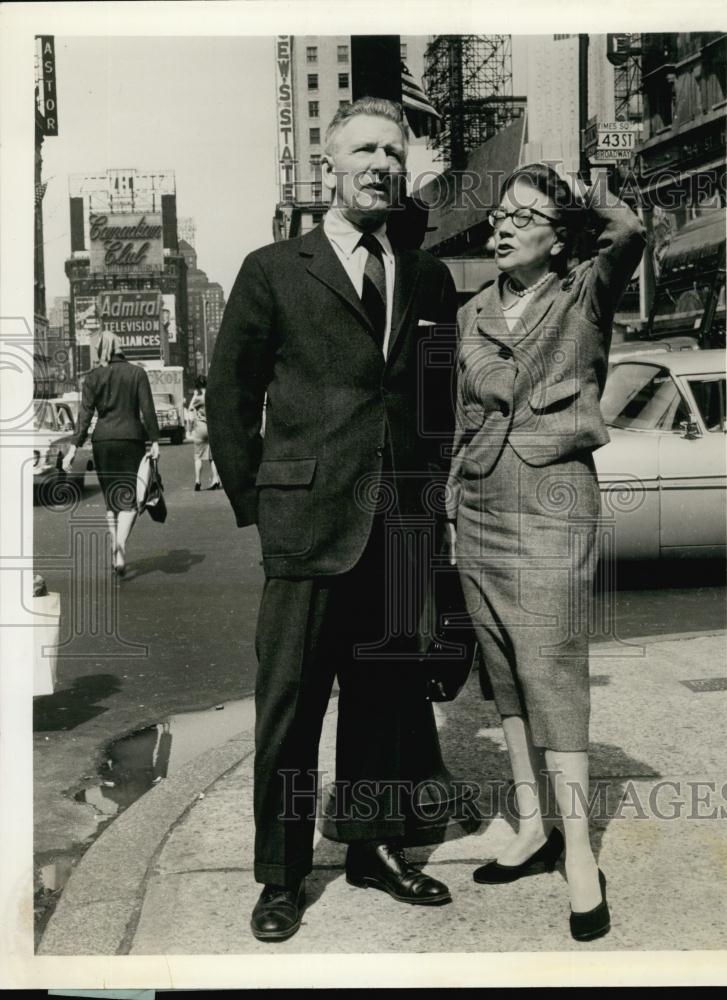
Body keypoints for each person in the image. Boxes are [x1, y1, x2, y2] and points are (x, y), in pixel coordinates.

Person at [207, 97, 459, 943]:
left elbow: (432, 398)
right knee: (290, 707)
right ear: (330, 167)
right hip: (307, 528)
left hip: (396, 528)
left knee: (383, 701)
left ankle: (372, 848)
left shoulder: (423, 274)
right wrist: (261, 506)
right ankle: (280, 875)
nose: (381, 163)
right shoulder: (274, 268)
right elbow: (230, 395)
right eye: (364, 150)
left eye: (393, 150)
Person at [446, 164, 646, 942]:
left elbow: (626, 230)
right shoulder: (472, 310)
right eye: (498, 215)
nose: (500, 226)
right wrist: (451, 499)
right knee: (503, 670)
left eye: (522, 217)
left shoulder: (584, 292)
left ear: (558, 237)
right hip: (483, 502)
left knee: (552, 667)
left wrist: (582, 179)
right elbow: (469, 409)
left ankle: (581, 859)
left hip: (554, 495)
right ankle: (531, 829)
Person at [63, 332, 160, 575]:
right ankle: (120, 546)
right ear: (121, 347)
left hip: (102, 442)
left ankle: (114, 542)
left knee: (111, 500)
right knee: (131, 499)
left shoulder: (93, 377)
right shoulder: (137, 373)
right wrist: (155, 440)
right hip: (131, 440)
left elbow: (84, 416)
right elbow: (147, 410)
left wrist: (73, 447)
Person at [188, 376, 221, 491]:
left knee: (198, 456)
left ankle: (197, 480)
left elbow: (190, 409)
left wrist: (194, 395)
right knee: (213, 457)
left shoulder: (199, 399)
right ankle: (215, 479)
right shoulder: (213, 397)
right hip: (211, 428)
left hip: (200, 428)